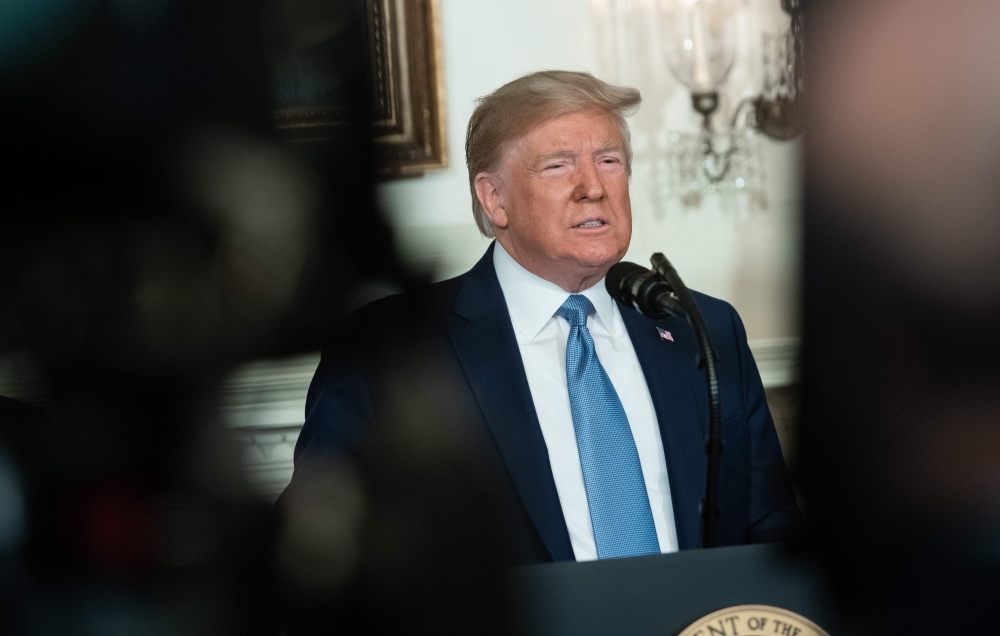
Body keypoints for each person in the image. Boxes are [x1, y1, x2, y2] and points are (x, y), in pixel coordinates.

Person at [289, 70, 798, 565]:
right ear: (495, 198)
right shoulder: (394, 346)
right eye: (557, 166)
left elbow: (771, 537)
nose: (593, 187)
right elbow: (330, 561)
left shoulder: (702, 328)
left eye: (609, 160)